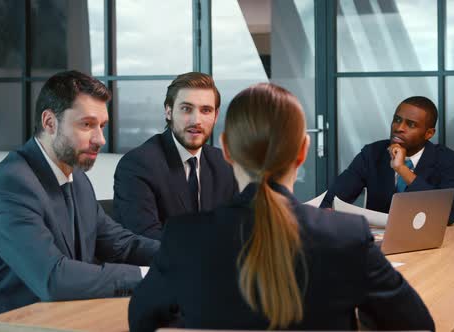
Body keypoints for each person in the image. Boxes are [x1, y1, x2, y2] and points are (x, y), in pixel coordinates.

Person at [128, 83, 434, 331]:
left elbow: (141, 320)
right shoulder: (347, 236)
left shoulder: (183, 236)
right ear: (303, 152)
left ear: (228, 150)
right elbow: (417, 325)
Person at [0, 71, 159, 329]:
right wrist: (149, 274)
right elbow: (54, 278)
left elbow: (120, 244)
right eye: (86, 124)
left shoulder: (76, 178)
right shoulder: (9, 187)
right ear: (49, 122)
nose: (100, 139)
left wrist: (180, 256)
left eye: (101, 126)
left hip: (51, 319)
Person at [113, 72, 237, 239]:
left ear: (215, 116)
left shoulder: (225, 164)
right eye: (186, 109)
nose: (196, 120)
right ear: (168, 111)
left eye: (206, 110)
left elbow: (238, 227)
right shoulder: (137, 165)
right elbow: (145, 239)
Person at [320, 96, 454, 225]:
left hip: (429, 242)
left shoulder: (450, 160)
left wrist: (402, 169)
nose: (399, 128)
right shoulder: (372, 153)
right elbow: (333, 199)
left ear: (429, 133)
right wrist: (327, 212)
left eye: (411, 125)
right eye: (397, 120)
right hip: (378, 242)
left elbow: (449, 215)